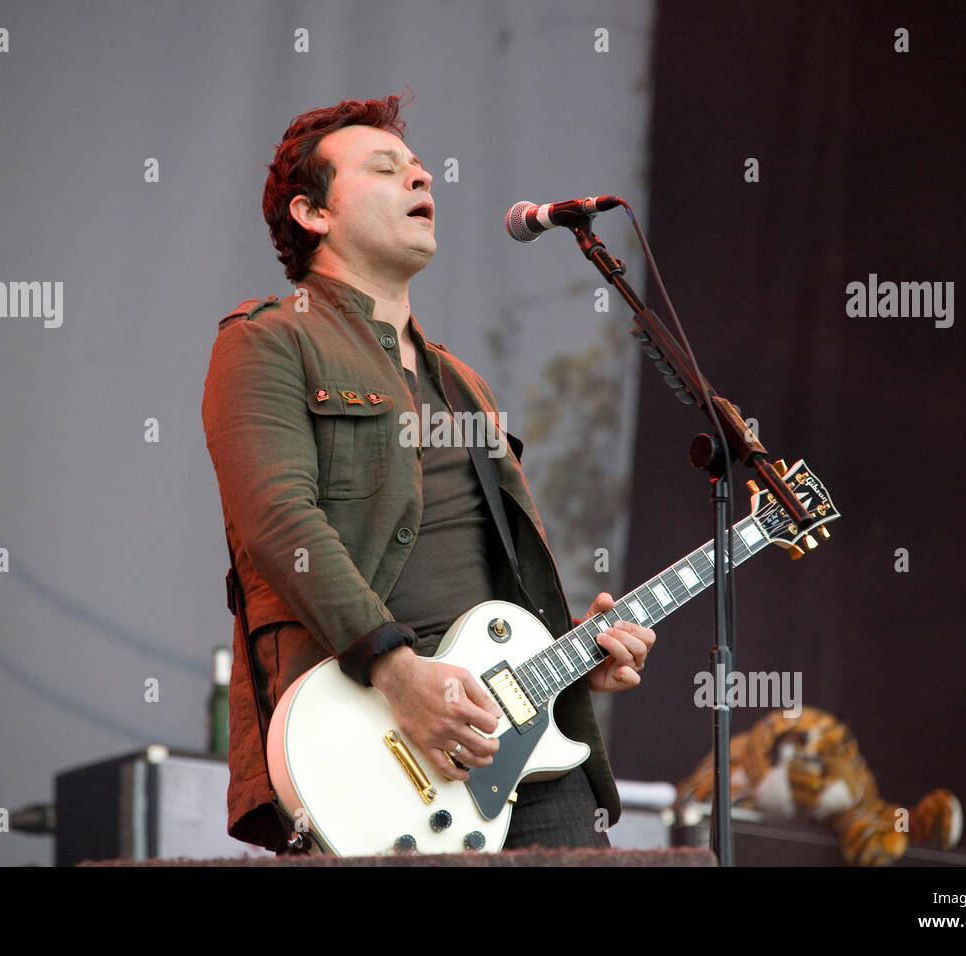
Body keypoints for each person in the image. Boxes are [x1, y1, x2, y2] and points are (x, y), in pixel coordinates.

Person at [201, 93, 656, 854]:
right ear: (312, 214)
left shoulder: (464, 383)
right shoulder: (268, 342)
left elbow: (494, 591)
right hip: (369, 738)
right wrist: (398, 671)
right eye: (387, 169)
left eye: (420, 169)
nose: (422, 181)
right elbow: (280, 521)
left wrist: (570, 660)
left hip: (518, 751)